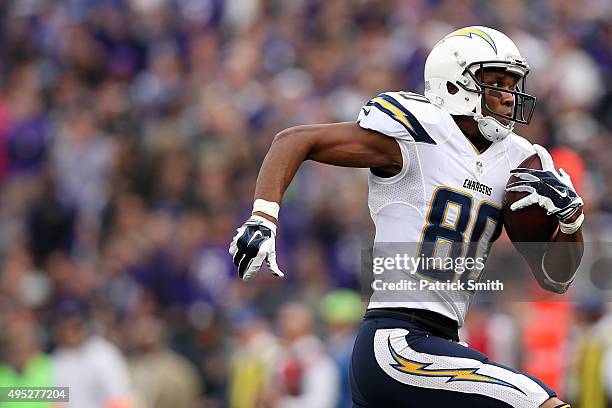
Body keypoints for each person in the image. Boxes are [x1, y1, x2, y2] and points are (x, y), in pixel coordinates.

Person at [229, 26, 584, 408]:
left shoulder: (519, 160)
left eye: (512, 84)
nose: (508, 97)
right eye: (496, 83)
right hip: (397, 341)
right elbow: (294, 140)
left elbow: (556, 278)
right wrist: (263, 217)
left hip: (442, 343)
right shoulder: (418, 133)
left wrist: (571, 222)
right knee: (538, 402)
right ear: (454, 86)